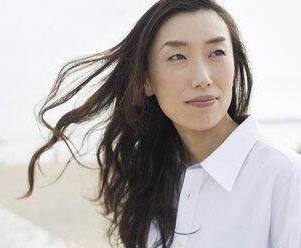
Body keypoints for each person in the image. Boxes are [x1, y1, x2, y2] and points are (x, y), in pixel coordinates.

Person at [23, 0, 301, 247]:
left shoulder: (285, 177)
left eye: (216, 52)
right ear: (146, 80)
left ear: (236, 65)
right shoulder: (152, 176)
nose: (202, 78)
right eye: (177, 57)